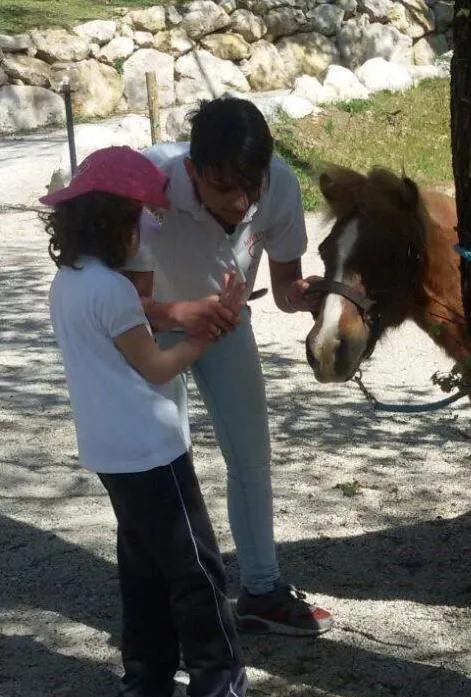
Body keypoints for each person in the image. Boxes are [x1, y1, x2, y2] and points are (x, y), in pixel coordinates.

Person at [44, 146, 275, 697]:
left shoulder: (68, 283)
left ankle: (144, 690)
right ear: (115, 223)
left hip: (109, 451)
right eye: (140, 219)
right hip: (151, 450)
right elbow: (156, 366)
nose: (146, 231)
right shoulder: (115, 291)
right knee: (197, 572)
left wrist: (198, 316)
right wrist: (207, 334)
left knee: (143, 571)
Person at [121, 97, 334, 637]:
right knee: (161, 464)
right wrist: (183, 314)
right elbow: (125, 302)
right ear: (193, 171)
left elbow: (284, 286)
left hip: (225, 326)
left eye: (250, 187)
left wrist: (304, 296)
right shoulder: (151, 182)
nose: (240, 203)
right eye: (223, 188)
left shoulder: (279, 184)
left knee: (251, 457)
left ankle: (261, 591)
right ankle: (174, 599)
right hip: (153, 328)